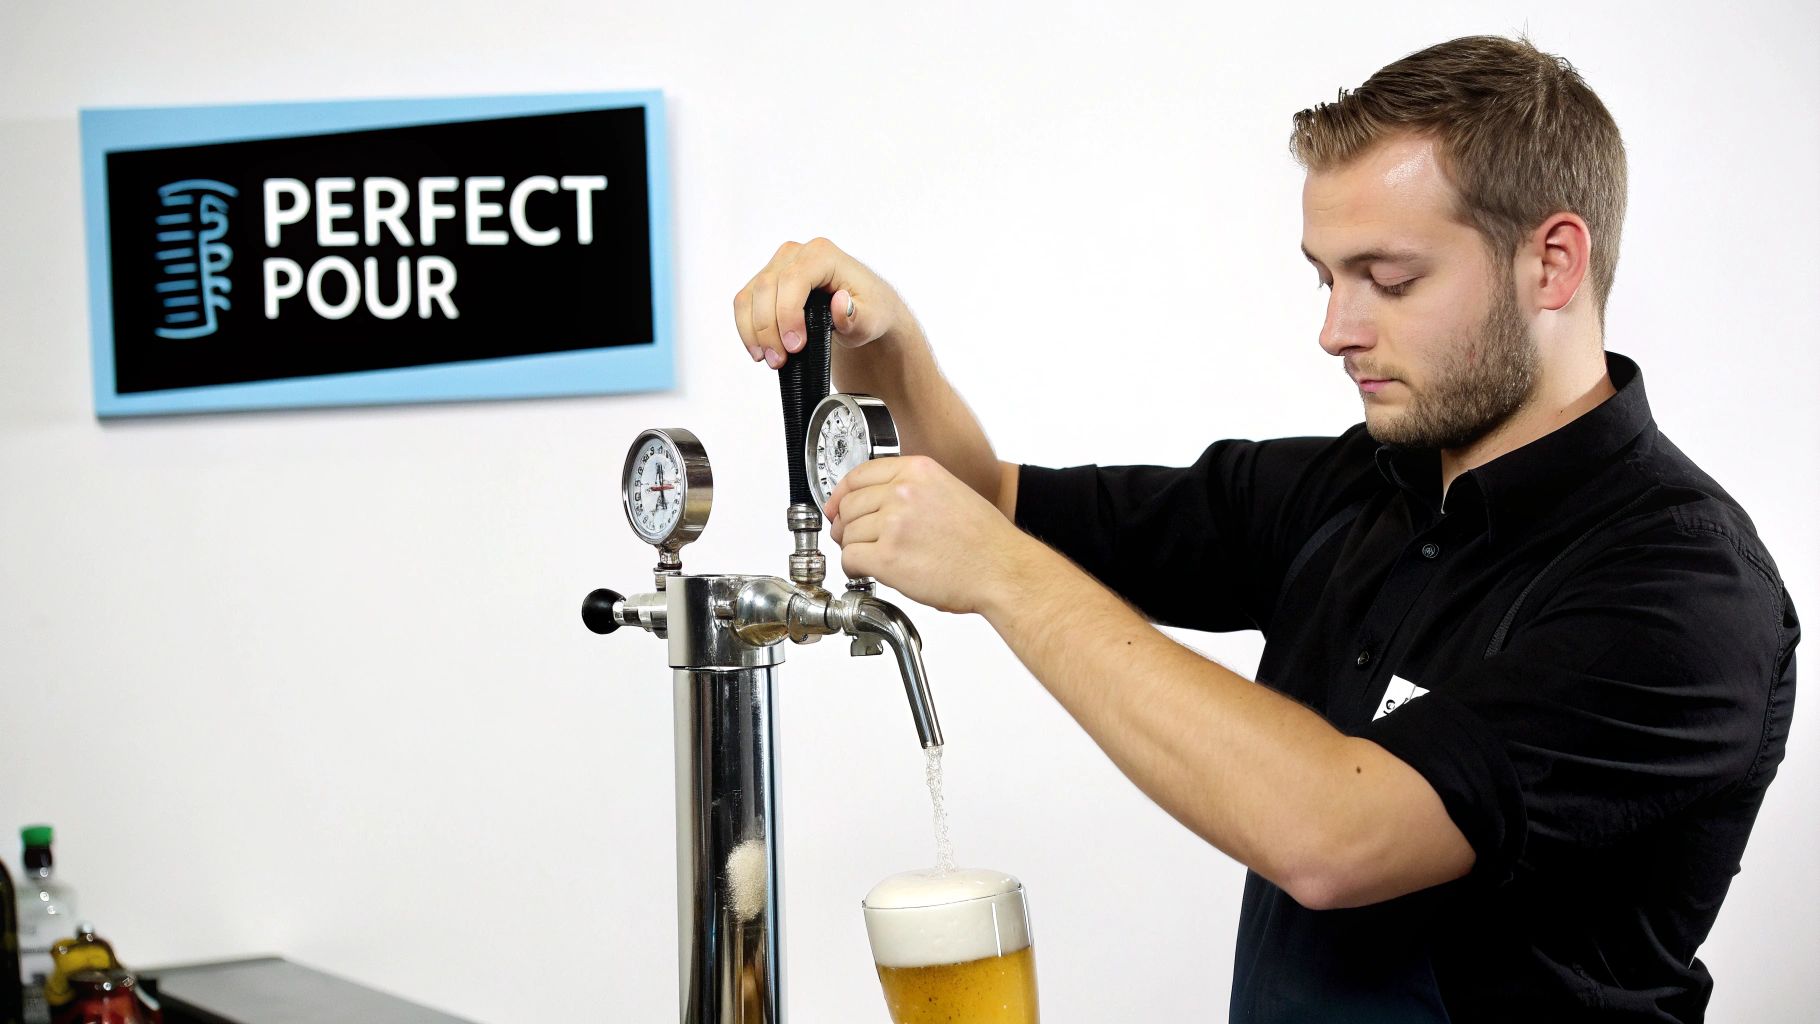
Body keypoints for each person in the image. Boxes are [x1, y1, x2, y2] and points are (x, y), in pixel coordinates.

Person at [731, 34, 1797, 1023]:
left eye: (1387, 278)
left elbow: (1331, 833)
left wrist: (1001, 576)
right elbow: (987, 498)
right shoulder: (1347, 488)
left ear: (1550, 263)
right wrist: (884, 340)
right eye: (1325, 277)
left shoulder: (1682, 589)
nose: (1334, 329)